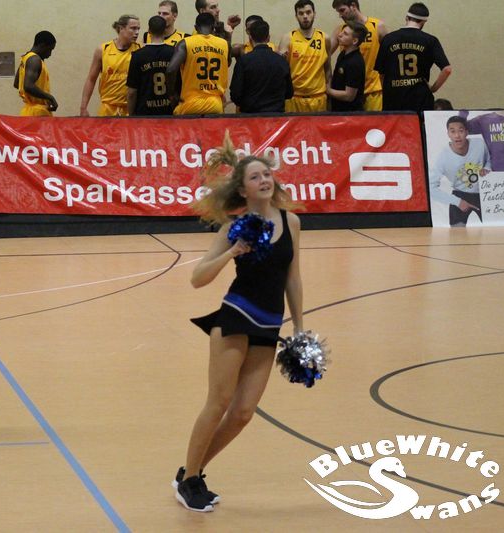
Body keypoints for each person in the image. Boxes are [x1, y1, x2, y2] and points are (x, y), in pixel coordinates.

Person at [173, 134, 303, 512]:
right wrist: (232, 251)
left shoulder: (291, 222)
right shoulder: (234, 228)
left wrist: (299, 328)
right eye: (255, 177)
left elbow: (293, 277)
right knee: (219, 402)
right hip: (236, 317)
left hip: (269, 324)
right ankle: (190, 481)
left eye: (267, 174)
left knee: (243, 413)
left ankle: (190, 473)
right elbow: (197, 278)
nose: (264, 180)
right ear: (243, 191)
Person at [374, 2, 451, 113]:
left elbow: (381, 73)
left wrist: (389, 90)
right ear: (424, 22)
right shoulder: (430, 40)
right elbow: (447, 69)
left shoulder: (388, 39)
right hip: (420, 100)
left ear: (406, 17)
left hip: (393, 100)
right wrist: (433, 88)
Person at [429, 116, 491, 226]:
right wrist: (457, 202)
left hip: (484, 192)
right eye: (453, 131)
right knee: (457, 232)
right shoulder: (443, 157)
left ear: (467, 132)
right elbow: (431, 188)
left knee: (495, 226)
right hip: (460, 195)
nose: (457, 135)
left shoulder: (480, 144)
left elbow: (490, 160)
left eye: (461, 131)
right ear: (448, 134)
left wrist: (487, 168)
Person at [330, 0, 388, 111]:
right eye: (338, 12)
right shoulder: (341, 30)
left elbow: (389, 57)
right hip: (348, 93)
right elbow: (325, 54)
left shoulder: (377, 26)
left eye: (342, 10)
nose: (340, 15)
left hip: (372, 91)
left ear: (353, 6)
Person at [167, 13, 229, 115]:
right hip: (215, 104)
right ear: (213, 27)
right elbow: (227, 63)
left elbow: (171, 70)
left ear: (195, 27)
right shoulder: (224, 44)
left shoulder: (185, 43)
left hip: (190, 105)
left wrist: (172, 94)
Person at [79, 15, 141, 117]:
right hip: (108, 108)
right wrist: (83, 108)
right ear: (121, 28)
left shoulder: (140, 49)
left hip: (131, 109)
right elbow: (91, 79)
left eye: (138, 29)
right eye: (133, 28)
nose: (137, 32)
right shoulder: (103, 49)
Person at [278, 0, 332, 113]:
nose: (305, 16)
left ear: (314, 14)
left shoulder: (324, 38)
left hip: (318, 97)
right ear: (296, 16)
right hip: (294, 98)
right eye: (301, 13)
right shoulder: (288, 38)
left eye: (308, 12)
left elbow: (327, 67)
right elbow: (280, 70)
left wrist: (329, 92)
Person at [230, 20, 293, 113]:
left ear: (250, 37)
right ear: (268, 38)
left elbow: (235, 95)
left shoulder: (244, 61)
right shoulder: (281, 61)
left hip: (250, 116)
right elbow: (289, 93)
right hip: (276, 116)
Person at [127, 16, 175, 116]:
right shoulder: (174, 52)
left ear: (149, 31)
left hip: (144, 112)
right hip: (169, 111)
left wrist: (131, 115)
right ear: (165, 30)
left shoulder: (137, 55)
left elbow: (132, 92)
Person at [14, 31, 58, 116]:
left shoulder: (26, 58)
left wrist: (42, 96)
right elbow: (28, 86)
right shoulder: (35, 60)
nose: (50, 54)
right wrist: (50, 97)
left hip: (27, 111)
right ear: (42, 45)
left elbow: (17, 84)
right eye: (50, 49)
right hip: (36, 113)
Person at [326, 21, 367, 111]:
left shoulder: (355, 62)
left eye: (345, 34)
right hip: (338, 109)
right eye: (342, 31)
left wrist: (327, 90)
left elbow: (349, 96)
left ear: (355, 41)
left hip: (350, 114)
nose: (339, 35)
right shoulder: (343, 54)